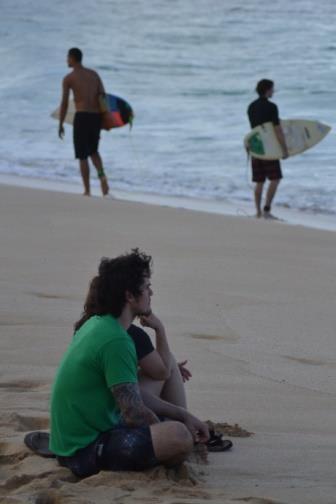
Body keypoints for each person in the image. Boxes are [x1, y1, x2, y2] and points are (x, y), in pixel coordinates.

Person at [49, 249, 209, 478]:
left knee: (175, 426)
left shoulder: (97, 323)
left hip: (76, 440)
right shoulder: (116, 340)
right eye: (146, 287)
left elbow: (131, 395)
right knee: (178, 436)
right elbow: (134, 413)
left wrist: (182, 414)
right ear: (130, 296)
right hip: (83, 452)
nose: (151, 292)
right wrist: (168, 428)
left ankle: (179, 427)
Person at [58, 47, 109, 197]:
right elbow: (103, 97)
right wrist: (105, 118)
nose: (66, 60)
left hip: (81, 117)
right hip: (95, 117)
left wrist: (60, 123)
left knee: (82, 155)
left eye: (68, 57)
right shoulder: (94, 75)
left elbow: (65, 103)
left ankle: (87, 190)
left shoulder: (69, 78)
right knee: (94, 151)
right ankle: (102, 177)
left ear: (73, 59)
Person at [247, 79, 288, 219]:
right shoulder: (272, 107)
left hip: (256, 148)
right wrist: (284, 149)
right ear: (267, 90)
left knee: (259, 181)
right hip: (269, 149)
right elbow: (277, 131)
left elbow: (256, 129)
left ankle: (258, 212)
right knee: (275, 179)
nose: (273, 91)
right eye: (272, 89)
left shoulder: (251, 106)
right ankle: (267, 210)